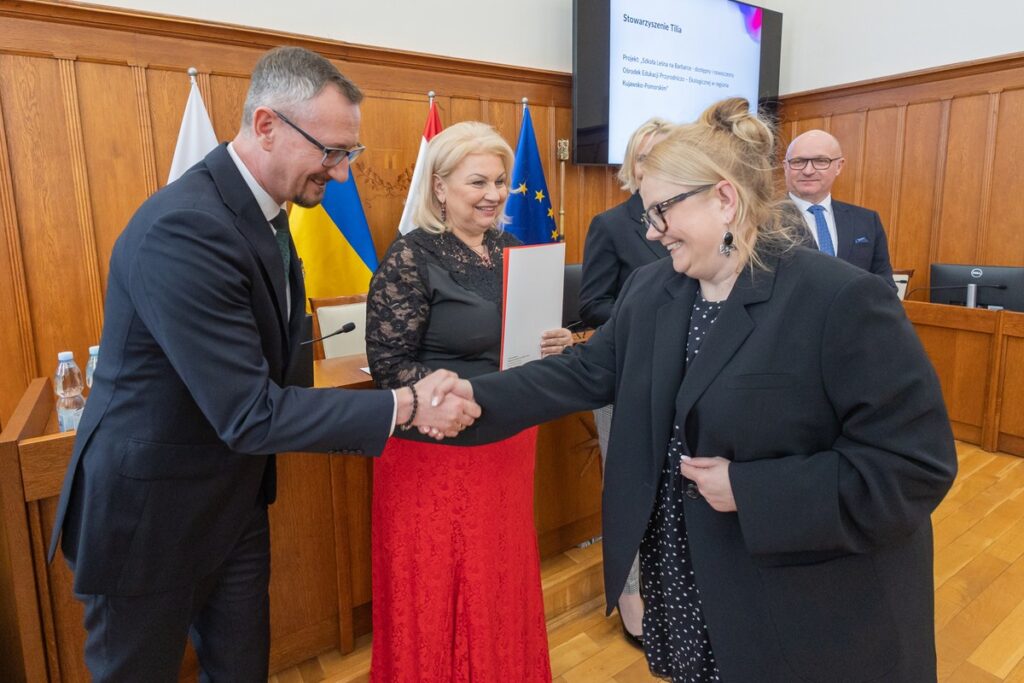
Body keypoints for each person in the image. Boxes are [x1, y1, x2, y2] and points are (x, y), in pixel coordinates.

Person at [456, 98, 958, 682]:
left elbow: (913, 467)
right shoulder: (653, 287)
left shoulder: (840, 300)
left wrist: (749, 488)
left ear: (724, 198)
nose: (649, 231)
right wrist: (469, 397)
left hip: (798, 596)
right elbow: (585, 371)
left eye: (661, 211)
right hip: (684, 570)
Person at [46, 46, 478, 682]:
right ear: (268, 125)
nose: (338, 175)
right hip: (150, 522)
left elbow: (278, 374)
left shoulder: (267, 218)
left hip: (232, 506)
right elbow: (250, 411)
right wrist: (406, 404)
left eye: (348, 155)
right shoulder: (186, 228)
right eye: (330, 152)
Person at [364, 121, 573, 682]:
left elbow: (526, 338)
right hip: (436, 446)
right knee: (439, 578)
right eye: (477, 181)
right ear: (439, 186)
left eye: (501, 181)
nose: (494, 194)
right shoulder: (410, 257)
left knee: (497, 573)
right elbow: (389, 368)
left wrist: (556, 341)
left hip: (507, 439)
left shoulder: (515, 249)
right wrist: (454, 392)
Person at [578, 116, 672, 646]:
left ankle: (667, 583)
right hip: (626, 376)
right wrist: (657, 312)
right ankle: (630, 594)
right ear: (631, 167)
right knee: (628, 488)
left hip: (682, 378)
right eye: (645, 157)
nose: (654, 166)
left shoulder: (695, 220)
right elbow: (591, 304)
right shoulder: (612, 225)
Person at [785, 129, 897, 287]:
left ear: (839, 166)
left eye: (820, 161)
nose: (808, 170)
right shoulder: (763, 220)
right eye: (798, 162)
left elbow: (885, 285)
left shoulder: (867, 221)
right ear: (785, 167)